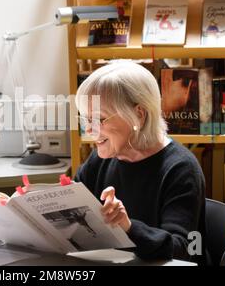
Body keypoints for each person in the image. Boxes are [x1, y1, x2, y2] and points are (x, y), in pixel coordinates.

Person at [74, 60, 208, 265]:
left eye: (99, 120)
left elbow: (184, 249)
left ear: (138, 115)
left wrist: (128, 227)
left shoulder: (181, 169)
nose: (90, 131)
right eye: (86, 120)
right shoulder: (101, 159)